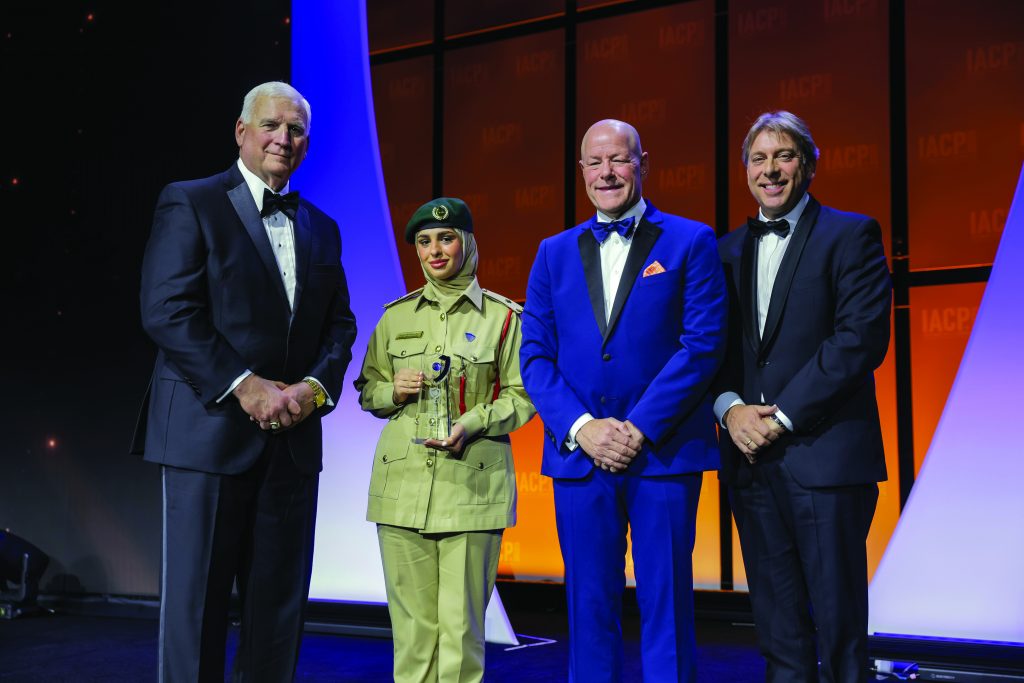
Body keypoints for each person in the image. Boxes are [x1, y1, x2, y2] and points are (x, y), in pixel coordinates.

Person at [132, 81, 357, 681]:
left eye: (297, 130)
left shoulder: (323, 227)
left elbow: (340, 326)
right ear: (242, 131)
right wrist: (246, 385)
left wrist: (313, 389)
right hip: (206, 438)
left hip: (291, 444)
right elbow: (167, 311)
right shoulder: (191, 201)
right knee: (195, 609)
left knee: (278, 613)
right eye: (271, 125)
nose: (284, 138)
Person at [519, 119, 727, 682]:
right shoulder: (552, 252)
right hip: (579, 457)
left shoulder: (692, 241)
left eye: (620, 160)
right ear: (581, 171)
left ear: (643, 164)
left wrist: (637, 428)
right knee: (588, 605)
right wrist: (584, 427)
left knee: (667, 604)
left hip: (661, 454)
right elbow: (534, 358)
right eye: (595, 162)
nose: (607, 173)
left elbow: (703, 347)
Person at [714, 111, 891, 682]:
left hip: (826, 459)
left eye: (783, 156)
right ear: (746, 172)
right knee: (777, 630)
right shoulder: (724, 250)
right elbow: (707, 350)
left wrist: (781, 417)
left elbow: (859, 339)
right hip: (750, 461)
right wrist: (731, 410)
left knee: (841, 631)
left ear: (808, 165)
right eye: (759, 159)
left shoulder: (852, 234)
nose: (771, 169)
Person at [354, 197, 535, 683]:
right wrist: (393, 389)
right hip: (401, 492)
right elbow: (368, 389)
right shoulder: (396, 316)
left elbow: (524, 396)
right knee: (412, 636)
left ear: (468, 242)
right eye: (424, 241)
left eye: (447, 238)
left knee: (460, 635)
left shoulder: (504, 318)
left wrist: (474, 421)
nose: (435, 250)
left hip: (471, 491)